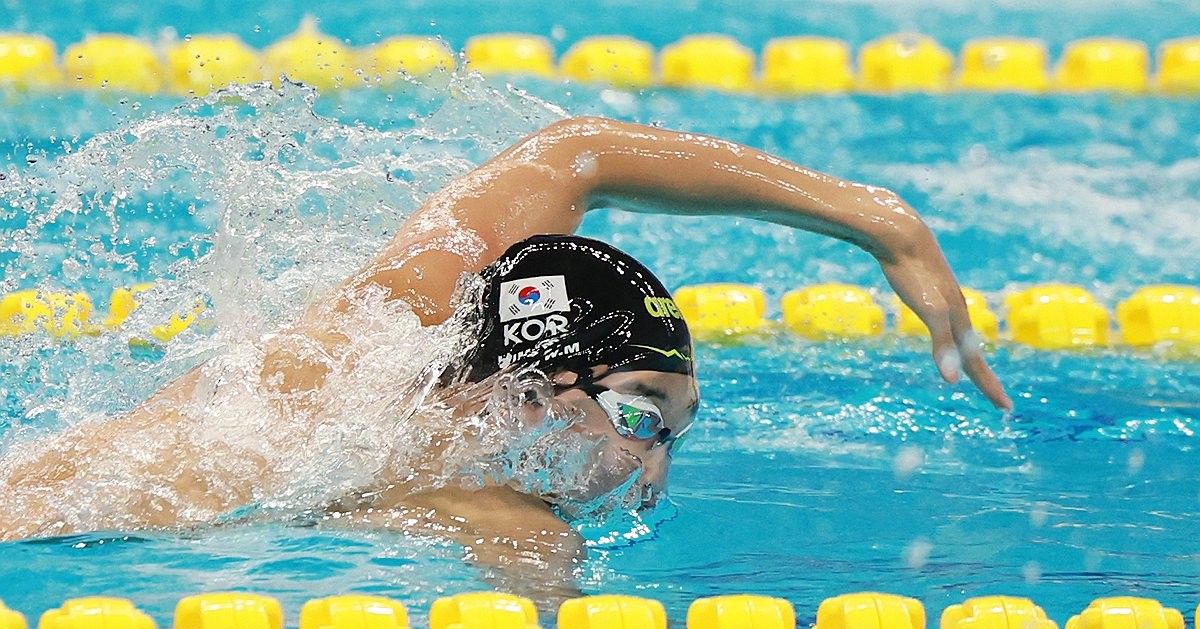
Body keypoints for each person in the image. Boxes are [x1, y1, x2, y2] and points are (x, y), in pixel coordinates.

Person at [0, 117, 1010, 593]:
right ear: (534, 388)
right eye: (641, 421)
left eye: (672, 436)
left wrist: (882, 223)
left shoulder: (405, 317)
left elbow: (580, 154)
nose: (651, 475)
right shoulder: (508, 519)